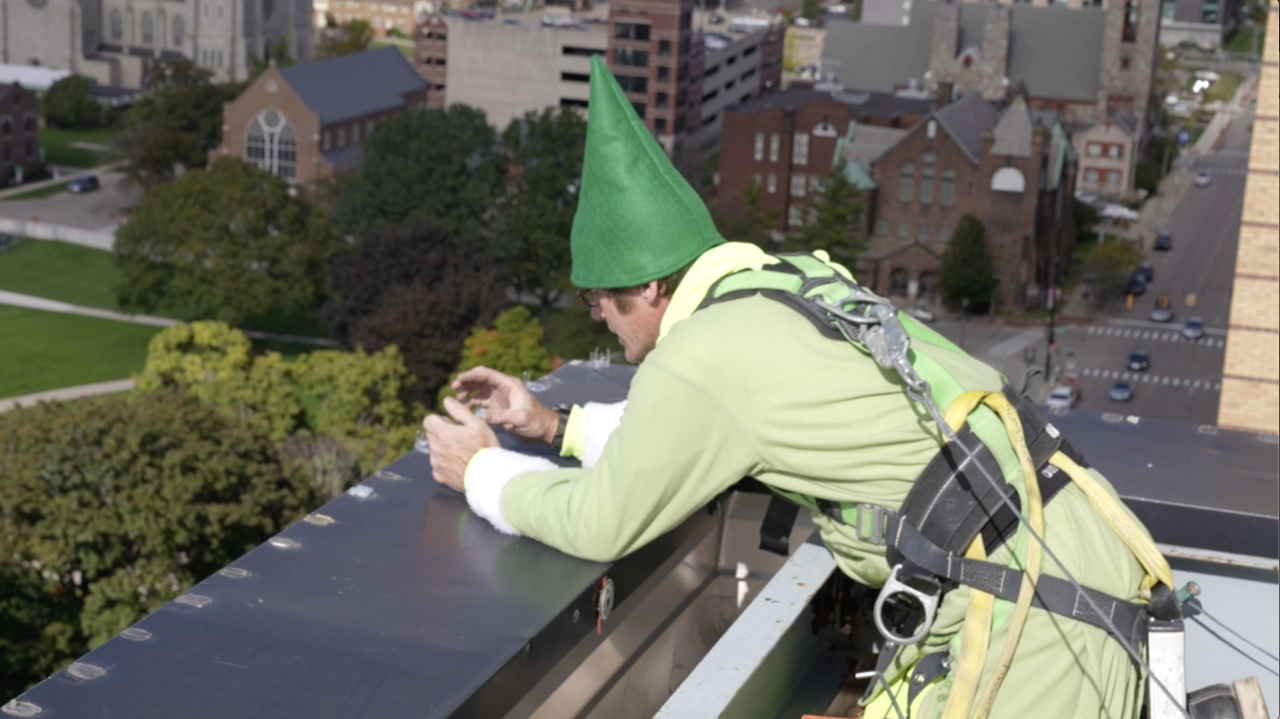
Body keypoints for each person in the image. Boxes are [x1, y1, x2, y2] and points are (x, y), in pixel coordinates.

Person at [424, 57, 1168, 719]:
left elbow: (601, 521)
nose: (595, 314)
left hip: (1031, 614)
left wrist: (481, 468)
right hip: (1060, 558)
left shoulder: (699, 353)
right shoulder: (784, 280)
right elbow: (701, 430)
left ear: (649, 285)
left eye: (600, 298)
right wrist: (554, 427)